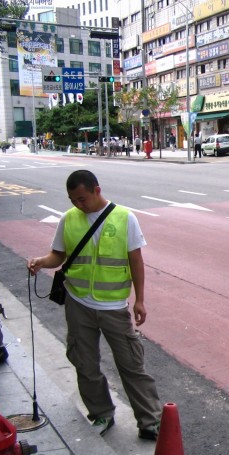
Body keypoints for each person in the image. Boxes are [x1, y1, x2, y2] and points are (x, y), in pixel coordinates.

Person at [27, 170, 162, 440]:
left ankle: (150, 421)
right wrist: (42, 261)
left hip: (113, 306)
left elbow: (136, 260)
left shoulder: (125, 217)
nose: (78, 204)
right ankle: (101, 413)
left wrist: (140, 299)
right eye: (73, 200)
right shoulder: (68, 219)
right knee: (85, 363)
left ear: (96, 190)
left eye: (82, 199)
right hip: (78, 303)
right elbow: (58, 255)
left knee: (131, 364)